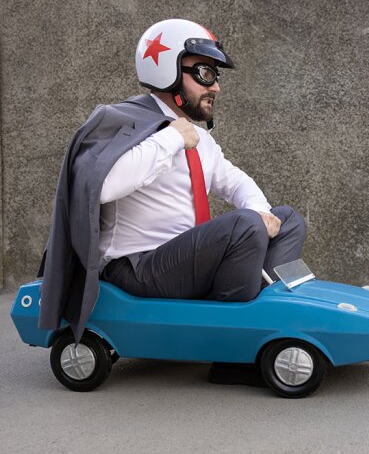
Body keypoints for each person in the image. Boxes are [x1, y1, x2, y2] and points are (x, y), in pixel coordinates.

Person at [38, 18, 306, 362]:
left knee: (287, 219)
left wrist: (260, 209)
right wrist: (171, 138)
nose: (216, 88)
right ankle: (231, 347)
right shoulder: (125, 123)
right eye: (205, 74)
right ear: (168, 70)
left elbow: (235, 181)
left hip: (181, 264)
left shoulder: (202, 141)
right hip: (136, 268)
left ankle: (267, 312)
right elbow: (102, 187)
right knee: (244, 226)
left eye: (215, 75)